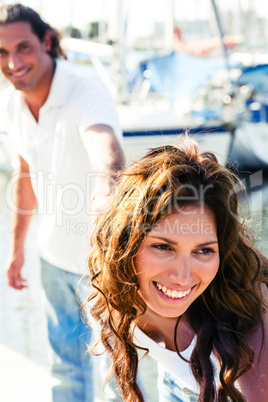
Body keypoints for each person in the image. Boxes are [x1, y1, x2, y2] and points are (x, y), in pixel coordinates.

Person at [0, 3, 125, 401]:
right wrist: (17, 249)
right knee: (64, 368)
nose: (13, 62)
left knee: (117, 371)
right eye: (2, 53)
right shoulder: (11, 102)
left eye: (23, 47)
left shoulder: (83, 89)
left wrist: (107, 191)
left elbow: (106, 150)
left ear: (47, 42)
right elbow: (24, 176)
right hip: (52, 257)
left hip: (100, 262)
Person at [86, 137, 268, 402]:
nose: (182, 276)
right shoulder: (111, 281)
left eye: (204, 250)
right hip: (181, 379)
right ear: (124, 242)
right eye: (163, 247)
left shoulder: (244, 317)